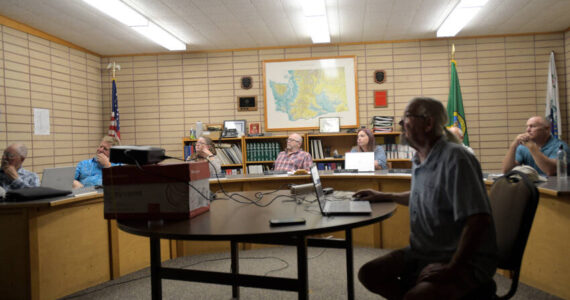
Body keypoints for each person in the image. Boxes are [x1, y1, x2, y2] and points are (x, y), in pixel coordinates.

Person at [353, 97, 497, 300]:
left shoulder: (456, 158)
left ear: (428, 123)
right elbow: (423, 195)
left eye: (406, 118)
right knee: (369, 274)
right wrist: (385, 195)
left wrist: (453, 267)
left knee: (415, 297)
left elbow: (478, 220)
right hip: (424, 252)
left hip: (462, 260)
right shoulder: (420, 157)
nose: (402, 125)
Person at [502, 116, 570, 176]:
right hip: (531, 186)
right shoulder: (523, 147)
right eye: (527, 126)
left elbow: (551, 171)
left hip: (554, 187)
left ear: (547, 129)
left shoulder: (560, 147)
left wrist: (532, 148)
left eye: (533, 126)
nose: (528, 130)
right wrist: (513, 146)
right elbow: (507, 171)